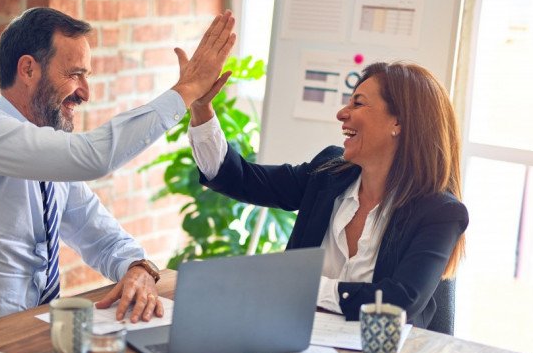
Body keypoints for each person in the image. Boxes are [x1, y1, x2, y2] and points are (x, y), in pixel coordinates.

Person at [0, 7, 236, 336]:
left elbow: (103, 237)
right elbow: (94, 157)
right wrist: (187, 90)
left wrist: (138, 268)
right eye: (75, 74)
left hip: (23, 342)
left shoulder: (51, 164)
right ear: (28, 70)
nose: (85, 93)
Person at [187, 62, 468, 328]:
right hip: (296, 341)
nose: (342, 113)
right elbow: (241, 179)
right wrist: (201, 109)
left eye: (358, 103)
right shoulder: (328, 173)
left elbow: (398, 302)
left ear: (399, 122)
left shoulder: (440, 212)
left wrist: (303, 286)